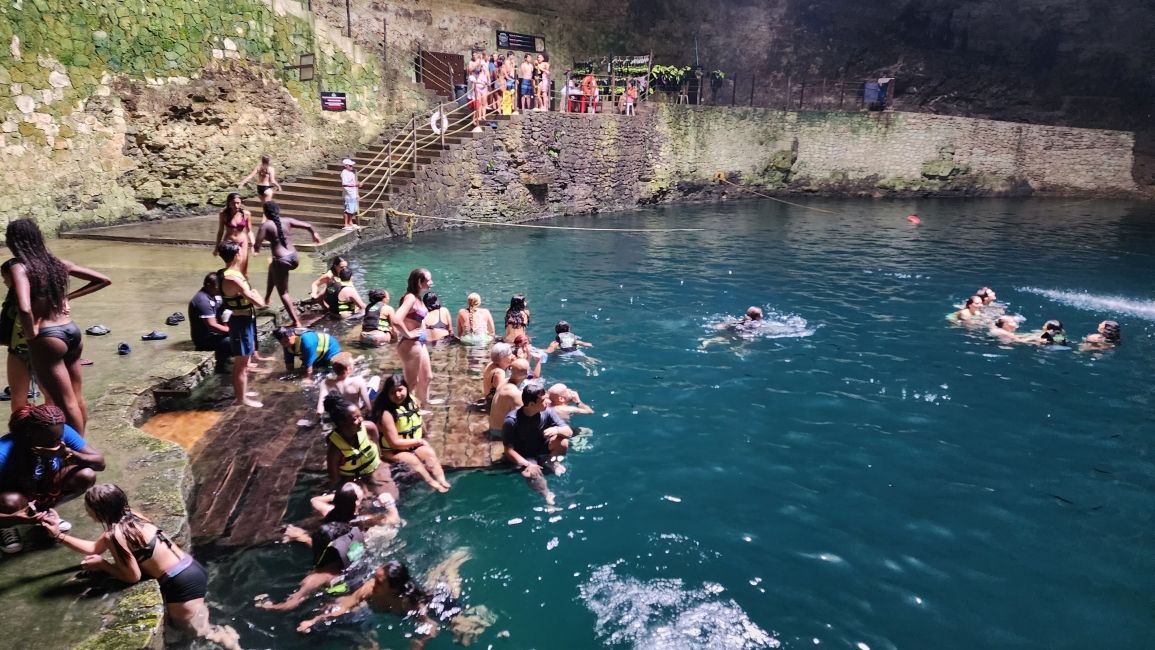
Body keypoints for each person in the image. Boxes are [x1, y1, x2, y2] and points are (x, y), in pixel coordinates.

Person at [40, 484, 239, 648]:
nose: (86, 511)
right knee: (202, 621)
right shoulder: (133, 516)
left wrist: (103, 565)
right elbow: (94, 547)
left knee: (201, 633)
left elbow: (132, 576)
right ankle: (226, 635)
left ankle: (232, 642)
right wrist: (58, 534)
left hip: (180, 584)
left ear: (99, 511)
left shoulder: (115, 535)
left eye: (88, 507)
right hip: (191, 568)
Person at [5, 219, 111, 433]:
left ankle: (78, 450)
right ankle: (80, 443)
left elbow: (25, 308)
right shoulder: (57, 264)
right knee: (76, 395)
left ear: (14, 242)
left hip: (48, 337)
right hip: (70, 330)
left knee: (65, 401)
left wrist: (31, 333)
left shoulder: (20, 267)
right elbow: (103, 280)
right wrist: (67, 297)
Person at [298, 549, 493, 647]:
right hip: (410, 597)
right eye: (375, 577)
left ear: (393, 589)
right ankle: (445, 568)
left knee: (454, 610)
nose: (372, 583)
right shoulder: (369, 589)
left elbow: (431, 627)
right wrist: (314, 620)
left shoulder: (410, 604)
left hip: (436, 600)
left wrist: (418, 645)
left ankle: (451, 566)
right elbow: (345, 605)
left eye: (379, 581)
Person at [0, 405, 105, 554]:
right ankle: (6, 527)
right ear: (30, 434)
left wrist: (69, 454)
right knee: (11, 501)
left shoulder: (61, 433)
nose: (58, 443)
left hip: (43, 486)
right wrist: (14, 519)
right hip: (14, 494)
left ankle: (43, 512)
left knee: (86, 475)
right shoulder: (4, 450)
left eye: (59, 437)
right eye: (50, 440)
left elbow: (100, 463)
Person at [255, 521, 366, 612]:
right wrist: (301, 536)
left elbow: (291, 604)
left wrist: (267, 607)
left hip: (338, 604)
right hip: (356, 590)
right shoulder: (352, 556)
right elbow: (330, 550)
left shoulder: (315, 579)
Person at [371, 374, 451, 493]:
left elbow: (419, 420)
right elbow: (394, 443)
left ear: (406, 388)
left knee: (430, 453)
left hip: (412, 444)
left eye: (400, 390)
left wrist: (424, 434)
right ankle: (431, 482)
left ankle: (442, 480)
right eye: (393, 392)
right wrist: (418, 441)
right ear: (387, 394)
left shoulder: (412, 400)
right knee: (413, 461)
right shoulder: (386, 414)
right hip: (392, 450)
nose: (398, 395)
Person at [502, 385, 572, 506]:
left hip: (541, 446)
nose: (547, 402)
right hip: (525, 454)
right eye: (543, 400)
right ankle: (547, 495)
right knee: (532, 473)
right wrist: (527, 464)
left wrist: (557, 430)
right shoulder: (512, 420)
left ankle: (551, 462)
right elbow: (508, 450)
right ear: (531, 404)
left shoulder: (548, 412)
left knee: (563, 441)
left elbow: (569, 432)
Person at [255, 201, 321, 328]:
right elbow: (308, 225)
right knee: (272, 267)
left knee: (284, 293)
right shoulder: (287, 220)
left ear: (265, 213)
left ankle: (296, 322)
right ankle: (267, 298)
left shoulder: (265, 225)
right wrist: (315, 234)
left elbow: (257, 244)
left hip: (281, 260)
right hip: (294, 257)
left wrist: (256, 250)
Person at [322, 392, 398, 502]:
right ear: (341, 422)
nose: (360, 421)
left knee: (392, 499)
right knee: (364, 505)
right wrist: (332, 494)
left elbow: (378, 452)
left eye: (360, 416)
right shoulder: (335, 448)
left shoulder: (369, 428)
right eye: (355, 418)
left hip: (375, 469)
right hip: (352, 478)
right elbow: (335, 479)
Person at [218, 240, 267, 408]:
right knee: (241, 364)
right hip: (240, 322)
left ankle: (243, 392)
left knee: (245, 362)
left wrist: (253, 295)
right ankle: (241, 399)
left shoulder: (226, 273)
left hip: (244, 320)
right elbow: (259, 302)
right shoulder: (233, 279)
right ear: (237, 255)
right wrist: (257, 296)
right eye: (241, 251)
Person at [392, 268, 435, 406]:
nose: (431, 282)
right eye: (428, 280)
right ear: (419, 282)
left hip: (419, 343)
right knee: (412, 382)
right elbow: (396, 320)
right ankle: (409, 409)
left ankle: (423, 402)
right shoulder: (410, 298)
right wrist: (408, 334)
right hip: (410, 344)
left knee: (427, 377)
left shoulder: (418, 297)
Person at [188, 272, 231, 371]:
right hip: (206, 339)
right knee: (235, 341)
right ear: (208, 285)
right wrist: (230, 330)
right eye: (217, 287)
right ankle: (224, 369)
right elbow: (212, 326)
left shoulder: (215, 294)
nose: (220, 289)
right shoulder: (202, 300)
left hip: (217, 334)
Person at [316, 352, 377, 416]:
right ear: (348, 369)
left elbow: (320, 410)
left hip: (338, 416)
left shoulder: (325, 383)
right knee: (376, 378)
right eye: (353, 364)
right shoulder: (358, 381)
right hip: (354, 413)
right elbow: (368, 407)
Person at [274, 327, 340, 380]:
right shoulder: (287, 343)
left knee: (326, 371)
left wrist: (307, 378)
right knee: (299, 368)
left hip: (330, 351)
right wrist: (289, 373)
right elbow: (289, 363)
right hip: (316, 351)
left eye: (286, 341)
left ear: (293, 335)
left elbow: (309, 366)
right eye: (282, 343)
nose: (285, 344)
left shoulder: (307, 341)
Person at [213, 193, 255, 276]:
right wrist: (216, 247)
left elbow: (249, 231)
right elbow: (220, 231)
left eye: (238, 203)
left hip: (242, 242)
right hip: (229, 242)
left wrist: (253, 245)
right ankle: (228, 285)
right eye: (233, 203)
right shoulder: (223, 215)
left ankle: (244, 286)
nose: (236, 205)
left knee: (243, 268)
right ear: (229, 203)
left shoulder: (246, 214)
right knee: (230, 267)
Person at [488, 358, 528, 439]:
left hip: (492, 428)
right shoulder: (516, 394)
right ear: (526, 374)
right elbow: (523, 421)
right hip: (500, 434)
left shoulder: (503, 382)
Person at [481, 343, 514, 412]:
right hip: (492, 406)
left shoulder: (491, 364)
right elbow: (502, 395)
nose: (512, 355)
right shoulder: (499, 373)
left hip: (487, 399)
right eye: (510, 354)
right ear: (502, 358)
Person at [469, 51, 489, 132]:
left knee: (484, 102)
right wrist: (477, 64)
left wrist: (488, 80)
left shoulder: (483, 65)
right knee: (478, 103)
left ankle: (483, 116)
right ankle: (478, 117)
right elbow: (471, 71)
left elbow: (486, 72)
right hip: (477, 86)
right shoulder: (472, 65)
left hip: (483, 86)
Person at [339, 159, 360, 230]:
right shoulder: (344, 173)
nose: (351, 166)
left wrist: (356, 190)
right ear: (346, 166)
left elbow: (354, 183)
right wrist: (355, 185)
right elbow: (345, 184)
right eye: (350, 165)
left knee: (353, 209)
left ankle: (350, 222)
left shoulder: (351, 173)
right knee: (348, 209)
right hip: (348, 194)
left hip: (353, 193)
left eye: (352, 165)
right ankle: (346, 224)